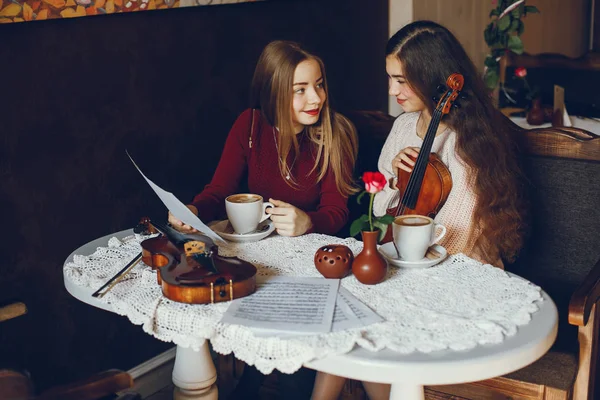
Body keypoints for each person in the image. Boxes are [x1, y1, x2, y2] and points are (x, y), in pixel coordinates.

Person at [311, 20, 528, 400]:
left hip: (460, 273)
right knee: (342, 319)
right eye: (390, 79)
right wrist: (396, 179)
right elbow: (380, 209)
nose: (392, 91)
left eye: (402, 81)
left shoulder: (470, 140)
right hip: (406, 258)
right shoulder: (404, 127)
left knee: (359, 324)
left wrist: (399, 261)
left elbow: (459, 232)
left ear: (433, 77)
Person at [168, 40, 359, 400]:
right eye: (299, 90)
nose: (315, 98)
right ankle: (252, 385)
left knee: (290, 363)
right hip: (264, 260)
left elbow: (338, 212)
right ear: (273, 93)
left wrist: (308, 222)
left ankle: (261, 387)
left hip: (315, 267)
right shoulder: (250, 126)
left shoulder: (337, 132)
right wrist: (192, 211)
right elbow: (217, 191)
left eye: (318, 84)